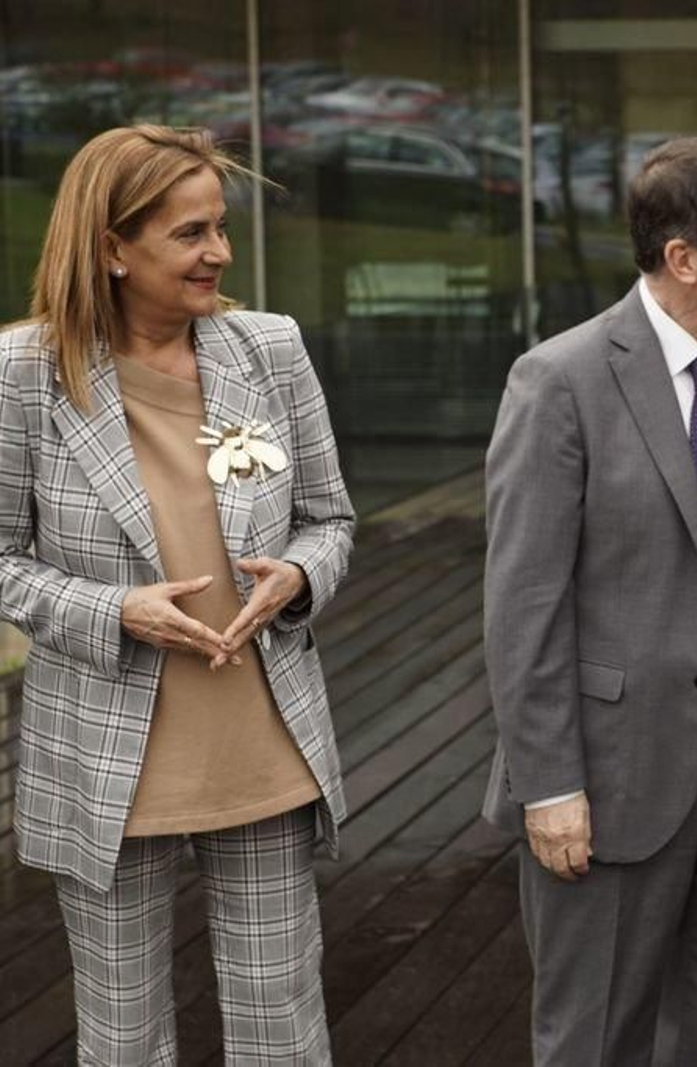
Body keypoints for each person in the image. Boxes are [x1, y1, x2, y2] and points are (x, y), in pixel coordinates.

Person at [0, 125, 354, 1062]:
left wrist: (298, 575)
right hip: (105, 762)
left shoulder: (270, 349)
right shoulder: (22, 374)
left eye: (220, 227)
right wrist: (113, 610)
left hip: (263, 748)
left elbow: (330, 519)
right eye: (191, 233)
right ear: (112, 248)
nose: (220, 252)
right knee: (123, 1040)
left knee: (283, 1029)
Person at [480, 137, 697, 1066]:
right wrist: (549, 785)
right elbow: (524, 606)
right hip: (606, 777)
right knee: (595, 1038)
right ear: (683, 257)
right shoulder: (559, 380)